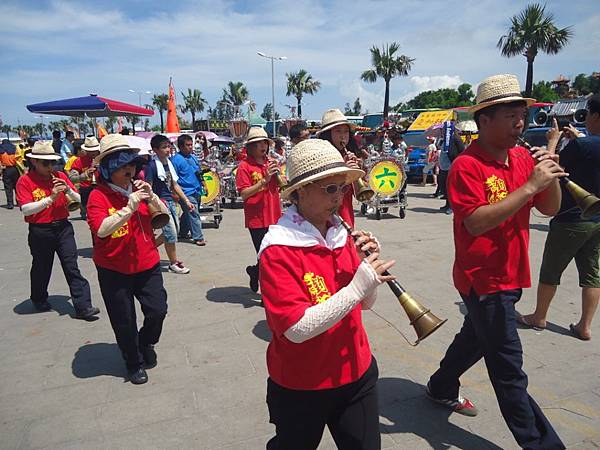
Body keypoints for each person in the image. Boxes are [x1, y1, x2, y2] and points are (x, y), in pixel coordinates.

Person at [426, 74, 566, 449]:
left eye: (522, 114)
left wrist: (548, 176)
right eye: (511, 115)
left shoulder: (522, 158)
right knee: (508, 371)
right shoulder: (466, 166)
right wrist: (530, 187)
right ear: (484, 120)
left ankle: (441, 385)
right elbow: (475, 221)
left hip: (512, 272)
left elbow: (550, 209)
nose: (520, 123)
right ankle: (542, 444)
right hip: (483, 279)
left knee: (476, 337)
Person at [259, 138, 394, 450]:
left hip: (356, 370)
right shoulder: (278, 249)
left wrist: (368, 273)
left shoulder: (340, 232)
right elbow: (295, 329)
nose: (339, 197)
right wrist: (359, 285)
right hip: (302, 382)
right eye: (329, 189)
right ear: (301, 191)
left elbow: (365, 305)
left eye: (342, 188)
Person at [86, 134, 169, 384]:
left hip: (147, 263)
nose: (129, 170)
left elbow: (164, 216)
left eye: (131, 164)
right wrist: (130, 207)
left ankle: (145, 342)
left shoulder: (140, 188)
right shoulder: (97, 196)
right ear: (109, 168)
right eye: (122, 165)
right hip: (113, 268)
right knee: (124, 320)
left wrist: (152, 198)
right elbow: (101, 228)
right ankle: (133, 361)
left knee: (158, 310)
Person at [519, 94, 600, 341]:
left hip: (571, 218)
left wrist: (553, 142)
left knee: (551, 270)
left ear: (595, 117)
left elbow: (550, 168)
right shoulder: (584, 143)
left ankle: (539, 316)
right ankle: (585, 326)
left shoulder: (583, 146)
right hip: (597, 218)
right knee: (592, 273)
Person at [15, 141, 99, 320]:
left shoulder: (59, 175)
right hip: (40, 230)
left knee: (71, 265)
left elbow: (78, 200)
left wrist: (67, 189)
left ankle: (83, 306)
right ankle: (39, 298)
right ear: (35, 162)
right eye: (46, 163)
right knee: (42, 266)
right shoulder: (25, 181)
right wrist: (51, 198)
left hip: (63, 227)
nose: (50, 167)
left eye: (52, 162)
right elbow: (26, 208)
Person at [235, 127, 282, 293]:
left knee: (275, 256)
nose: (262, 147)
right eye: (257, 144)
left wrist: (279, 176)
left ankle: (255, 271)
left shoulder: (271, 163)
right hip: (257, 219)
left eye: (264, 143)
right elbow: (244, 194)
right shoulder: (244, 166)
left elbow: (282, 185)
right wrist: (264, 181)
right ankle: (267, 294)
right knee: (266, 257)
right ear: (250, 147)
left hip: (276, 217)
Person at [144, 134, 192, 273]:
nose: (168, 149)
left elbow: (174, 184)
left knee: (173, 231)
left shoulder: (169, 163)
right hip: (160, 202)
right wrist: (152, 204)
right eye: (164, 147)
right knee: (171, 232)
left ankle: (149, 248)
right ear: (155, 150)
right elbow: (149, 187)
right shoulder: (152, 166)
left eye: (168, 146)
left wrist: (186, 200)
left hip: (170, 201)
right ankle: (173, 263)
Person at [316, 108, 365, 227]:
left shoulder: (349, 156)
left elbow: (361, 196)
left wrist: (356, 173)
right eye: (338, 131)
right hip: (326, 219)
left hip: (346, 218)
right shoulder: (319, 158)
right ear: (328, 135)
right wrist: (343, 170)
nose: (343, 136)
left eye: (346, 132)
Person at [171, 134, 206, 246]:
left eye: (191, 145)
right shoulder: (175, 160)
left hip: (196, 189)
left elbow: (198, 172)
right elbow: (172, 179)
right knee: (194, 213)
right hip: (185, 192)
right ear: (181, 147)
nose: (191, 147)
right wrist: (175, 193)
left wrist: (203, 184)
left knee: (188, 213)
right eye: (188, 145)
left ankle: (183, 232)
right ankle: (198, 237)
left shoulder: (193, 157)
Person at [69, 135, 100, 220]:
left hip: (101, 188)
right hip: (86, 190)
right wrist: (85, 175)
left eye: (94, 150)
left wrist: (101, 168)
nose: (93, 152)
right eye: (90, 151)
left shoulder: (104, 158)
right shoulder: (79, 161)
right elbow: (72, 178)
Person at [1, 139, 20, 209]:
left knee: (8, 187)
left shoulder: (1, 151)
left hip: (6, 169)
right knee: (17, 187)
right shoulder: (14, 149)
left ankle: (10, 204)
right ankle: (19, 202)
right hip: (15, 169)